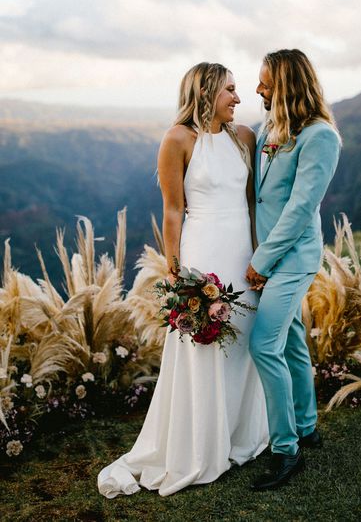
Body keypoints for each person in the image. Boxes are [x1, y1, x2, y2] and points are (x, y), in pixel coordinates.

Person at [98, 62, 268, 498]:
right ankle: (200, 445)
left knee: (243, 342)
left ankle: (238, 435)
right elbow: (173, 209)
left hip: (242, 254)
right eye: (230, 90)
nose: (238, 97)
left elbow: (252, 205)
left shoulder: (245, 137)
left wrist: (259, 257)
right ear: (208, 91)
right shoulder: (176, 140)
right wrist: (175, 267)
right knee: (205, 344)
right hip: (203, 254)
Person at [246, 49, 341, 491]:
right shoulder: (271, 127)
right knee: (293, 340)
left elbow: (301, 208)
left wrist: (261, 261)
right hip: (271, 253)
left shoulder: (320, 137)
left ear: (286, 84)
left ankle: (286, 450)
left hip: (293, 257)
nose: (258, 89)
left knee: (265, 345)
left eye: (265, 82)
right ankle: (306, 425)